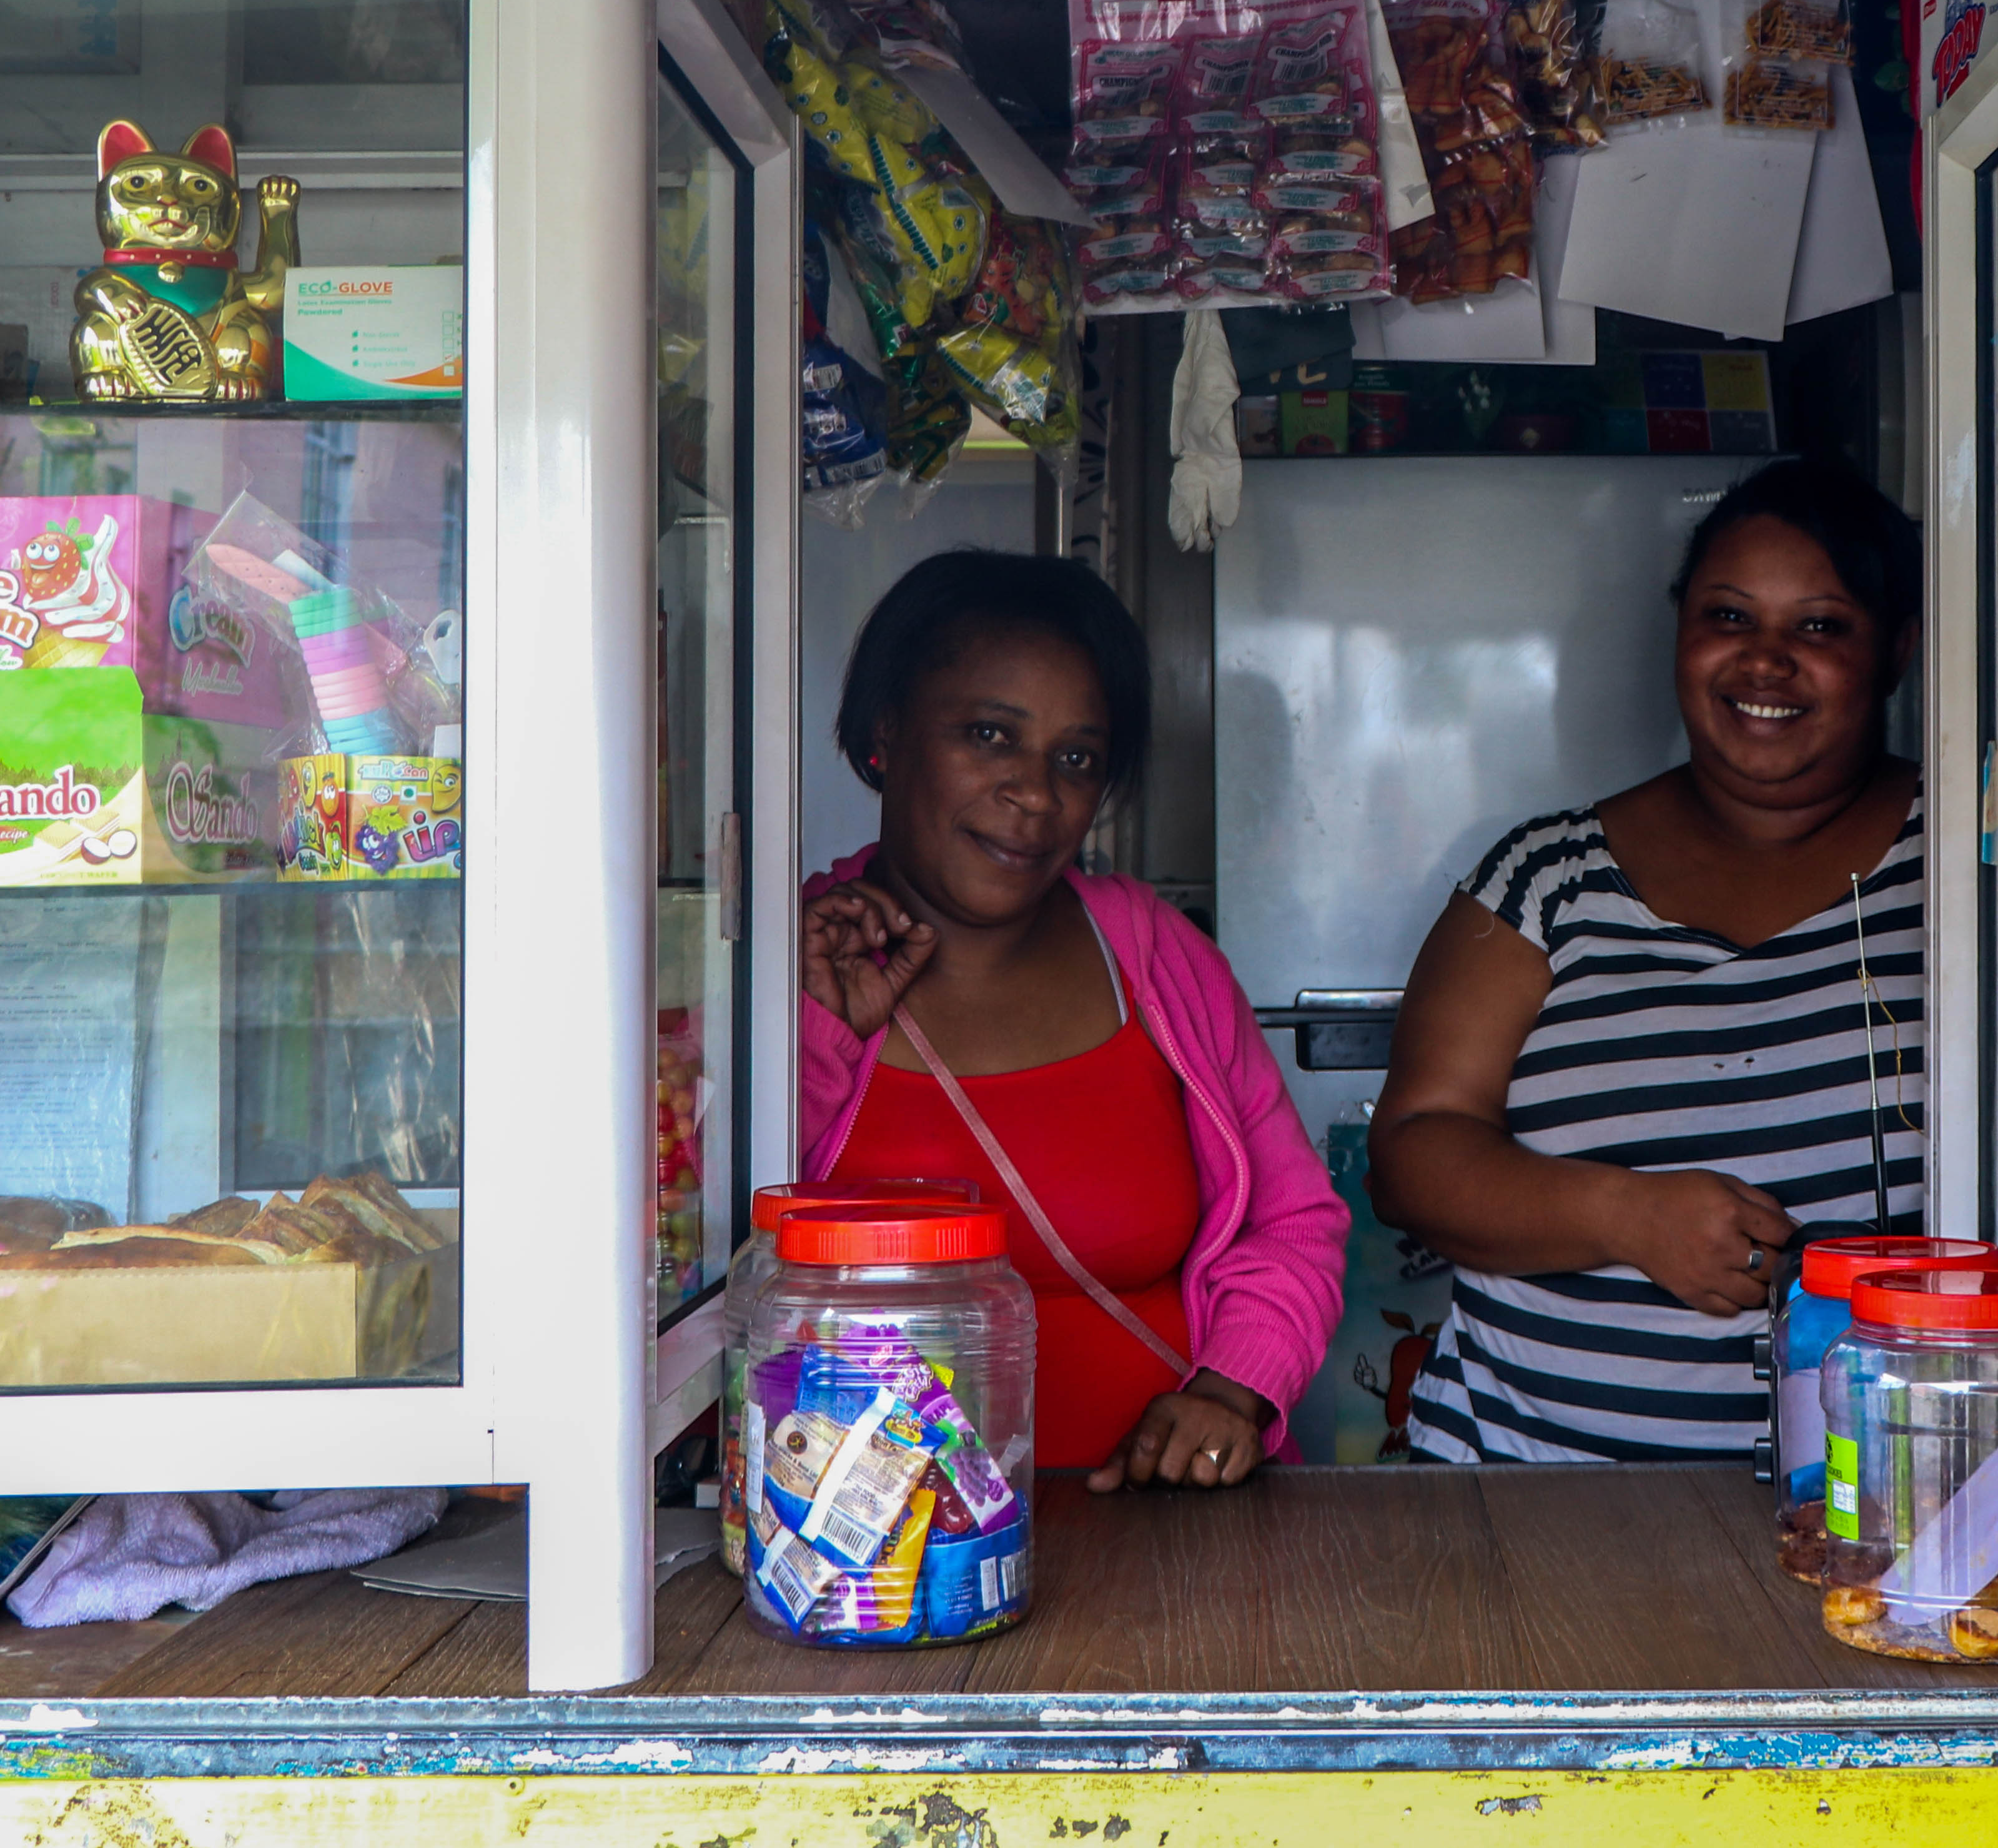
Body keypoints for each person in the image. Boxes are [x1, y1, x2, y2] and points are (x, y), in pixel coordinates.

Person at [1371, 458, 1927, 1462]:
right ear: (1680, 632)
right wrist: (1624, 1215)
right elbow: (1411, 1154)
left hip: (1889, 1507)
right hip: (1518, 1487)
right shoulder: (1547, 877)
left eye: (1818, 627)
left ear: (1897, 651)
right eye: (1728, 617)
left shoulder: (1968, 870)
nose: (1765, 661)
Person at [798, 550, 1347, 1493]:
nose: (1037, 794)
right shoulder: (790, 963)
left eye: (1076, 759)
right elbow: (706, 1255)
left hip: (1174, 1528)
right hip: (873, 1552)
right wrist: (821, 1031)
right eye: (989, 736)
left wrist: (1231, 1394)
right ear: (885, 731)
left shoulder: (1154, 957)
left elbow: (1291, 1221)